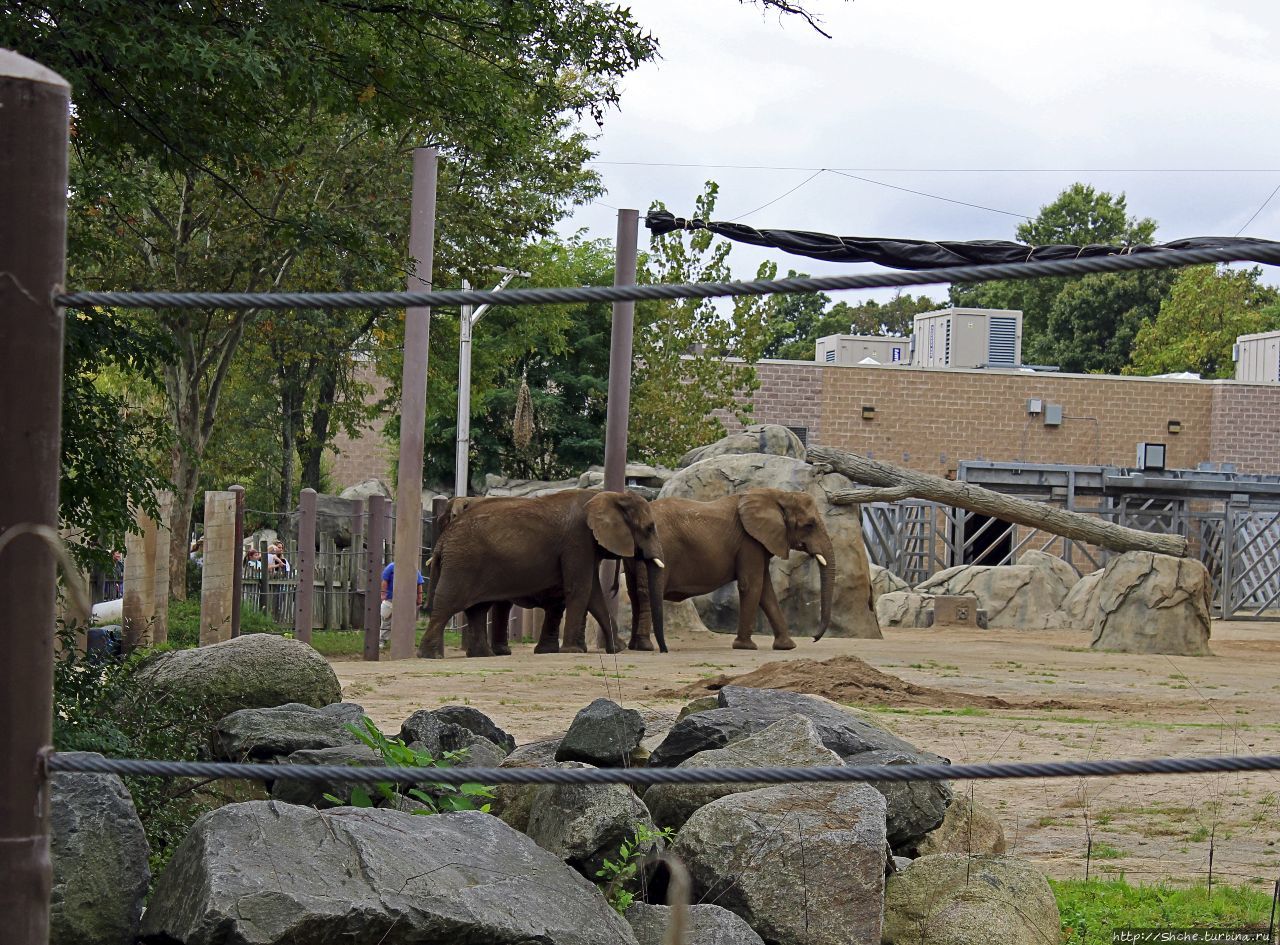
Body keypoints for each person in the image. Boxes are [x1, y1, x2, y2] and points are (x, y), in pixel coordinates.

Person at [380, 561, 424, 647]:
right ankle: (382, 640)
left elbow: (419, 584)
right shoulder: (392, 567)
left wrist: (419, 597)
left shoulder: (413, 568)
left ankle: (406, 641)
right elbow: (385, 580)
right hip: (391, 597)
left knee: (406, 620)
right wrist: (383, 594)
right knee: (386, 617)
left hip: (408, 599)